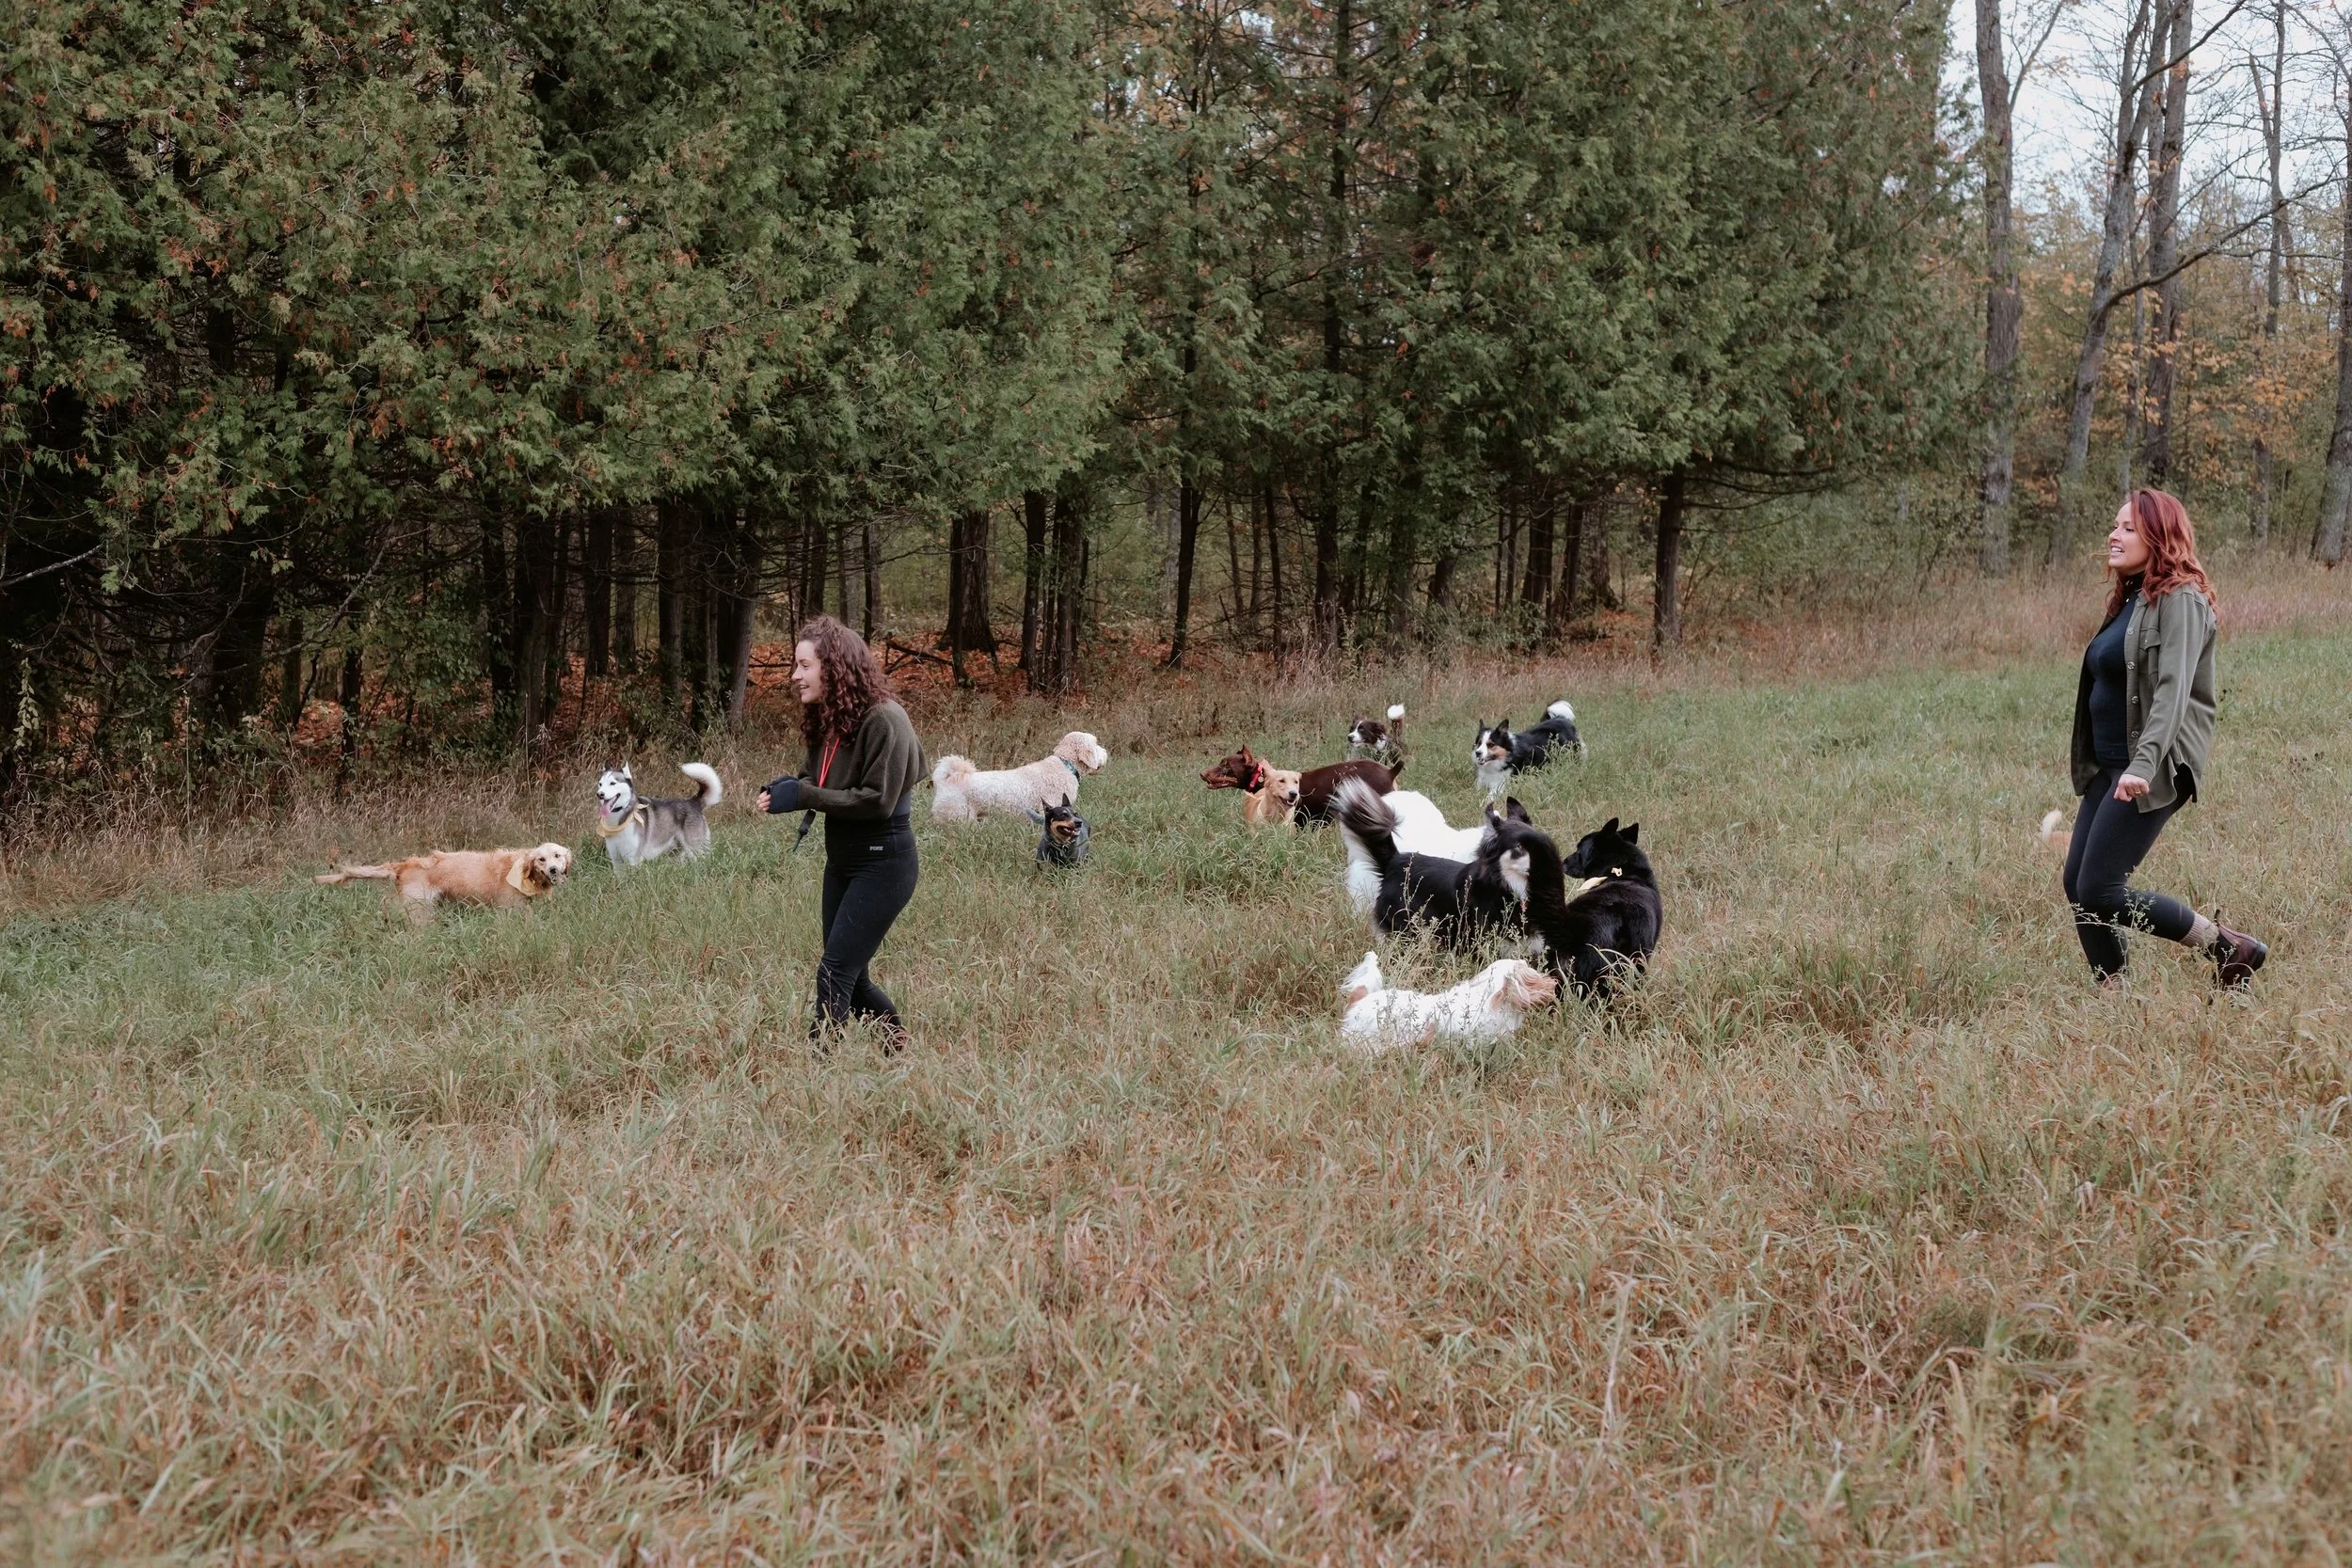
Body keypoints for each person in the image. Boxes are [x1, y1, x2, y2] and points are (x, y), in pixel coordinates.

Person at [2060, 489, 2265, 990]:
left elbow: (2173, 690)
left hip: (2149, 766)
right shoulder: (2131, 597)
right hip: (2111, 764)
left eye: (2128, 528)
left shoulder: (2182, 600)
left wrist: (2143, 765)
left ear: (2160, 536)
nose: (2114, 535)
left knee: (2100, 888)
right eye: (2115, 526)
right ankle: (2115, 997)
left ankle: (2227, 946)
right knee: (2078, 885)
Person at [758, 616, 926, 1045]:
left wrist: (804, 796)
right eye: (795, 666)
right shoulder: (827, 718)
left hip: (884, 863)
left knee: (834, 973)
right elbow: (815, 781)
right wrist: (786, 788)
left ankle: (820, 1072)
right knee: (853, 977)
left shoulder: (886, 720)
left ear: (834, 666)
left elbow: (877, 800)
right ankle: (899, 1049)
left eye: (804, 665)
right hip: (844, 861)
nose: (795, 675)